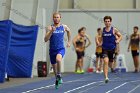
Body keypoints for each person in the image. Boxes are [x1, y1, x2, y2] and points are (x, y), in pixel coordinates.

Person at [44, 12, 71, 89]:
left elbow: (69, 31)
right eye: (55, 17)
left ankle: (59, 75)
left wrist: (69, 42)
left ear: (60, 18)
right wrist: (51, 31)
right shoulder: (49, 28)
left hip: (60, 49)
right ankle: (58, 78)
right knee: (55, 70)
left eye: (58, 17)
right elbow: (45, 39)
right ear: (53, 18)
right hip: (52, 50)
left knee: (58, 59)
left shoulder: (64, 27)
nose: (56, 18)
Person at [102, 16, 122, 83]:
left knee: (110, 65)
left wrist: (118, 40)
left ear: (110, 22)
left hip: (112, 49)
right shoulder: (103, 30)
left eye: (108, 21)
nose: (107, 22)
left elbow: (120, 36)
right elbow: (102, 39)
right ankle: (106, 77)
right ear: (104, 22)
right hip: (104, 49)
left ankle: (109, 68)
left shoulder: (114, 30)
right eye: (106, 21)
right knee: (105, 61)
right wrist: (100, 43)